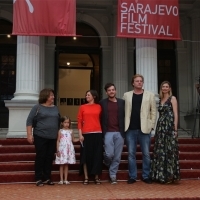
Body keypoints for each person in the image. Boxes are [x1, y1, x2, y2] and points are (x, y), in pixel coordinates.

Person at [123, 74, 157, 184]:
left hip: (145, 129)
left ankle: (146, 175)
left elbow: (153, 111)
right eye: (137, 81)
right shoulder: (126, 95)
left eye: (141, 81)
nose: (139, 82)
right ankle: (132, 176)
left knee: (146, 154)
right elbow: (123, 111)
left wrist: (151, 125)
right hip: (130, 129)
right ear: (133, 83)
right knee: (131, 154)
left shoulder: (150, 95)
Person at [26, 88, 60, 187]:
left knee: (49, 157)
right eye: (51, 95)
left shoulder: (55, 108)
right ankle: (38, 178)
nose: (53, 97)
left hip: (52, 137)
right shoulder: (37, 107)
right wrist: (29, 135)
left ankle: (47, 177)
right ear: (45, 96)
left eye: (53, 95)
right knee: (41, 156)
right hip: (40, 136)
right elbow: (29, 121)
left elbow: (57, 122)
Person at [150, 81, 180, 183]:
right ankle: (161, 175)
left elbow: (176, 114)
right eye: (163, 87)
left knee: (170, 150)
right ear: (161, 88)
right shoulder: (160, 99)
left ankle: (170, 176)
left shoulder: (173, 98)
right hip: (160, 127)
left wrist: (175, 129)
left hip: (169, 127)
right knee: (160, 151)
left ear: (170, 88)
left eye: (167, 87)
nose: (165, 88)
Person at [99, 83, 125, 184]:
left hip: (119, 132)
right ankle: (107, 163)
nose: (111, 91)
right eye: (109, 90)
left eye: (113, 90)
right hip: (107, 132)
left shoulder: (122, 102)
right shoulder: (102, 103)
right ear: (106, 92)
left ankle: (113, 175)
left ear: (116, 91)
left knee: (117, 156)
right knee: (109, 154)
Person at [77, 90, 103, 185]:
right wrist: (80, 134)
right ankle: (86, 177)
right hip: (86, 134)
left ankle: (96, 176)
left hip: (97, 133)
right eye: (86, 94)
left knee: (97, 155)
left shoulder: (99, 107)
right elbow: (79, 121)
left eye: (88, 95)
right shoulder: (82, 107)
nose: (86, 96)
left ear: (94, 96)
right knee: (85, 155)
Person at [55, 116, 79, 185]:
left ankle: (66, 179)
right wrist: (58, 150)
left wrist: (79, 139)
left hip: (69, 149)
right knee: (61, 164)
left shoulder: (71, 131)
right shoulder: (60, 131)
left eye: (68, 122)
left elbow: (73, 140)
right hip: (62, 149)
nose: (66, 124)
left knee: (66, 164)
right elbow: (58, 140)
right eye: (65, 122)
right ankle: (61, 179)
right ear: (62, 123)